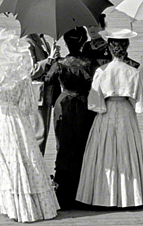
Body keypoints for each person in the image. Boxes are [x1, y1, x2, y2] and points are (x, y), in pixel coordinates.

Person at [76, 29, 143, 208]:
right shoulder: (132, 72)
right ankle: (129, 196)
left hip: (106, 112)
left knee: (103, 152)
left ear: (109, 47)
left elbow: (94, 101)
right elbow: (140, 104)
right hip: (125, 111)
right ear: (127, 47)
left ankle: (103, 196)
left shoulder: (102, 71)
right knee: (126, 151)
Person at [0, 76, 59, 222]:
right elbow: (29, 105)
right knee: (24, 156)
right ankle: (29, 205)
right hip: (16, 117)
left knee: (6, 160)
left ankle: (12, 206)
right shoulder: (21, 74)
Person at [44, 27, 96, 209]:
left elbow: (48, 79)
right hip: (84, 104)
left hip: (64, 103)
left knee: (63, 145)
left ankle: (63, 192)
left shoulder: (61, 63)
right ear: (82, 42)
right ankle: (81, 190)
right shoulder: (89, 62)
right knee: (82, 145)